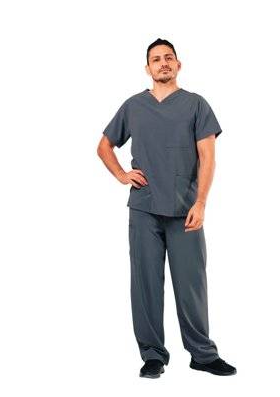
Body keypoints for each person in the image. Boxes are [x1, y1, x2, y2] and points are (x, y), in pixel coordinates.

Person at [97, 38, 236, 378]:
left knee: (191, 284)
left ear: (178, 64)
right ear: (148, 68)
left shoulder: (196, 105)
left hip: (185, 208)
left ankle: (202, 354)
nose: (163, 63)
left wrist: (201, 202)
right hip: (144, 207)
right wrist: (122, 175)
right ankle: (152, 356)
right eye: (156, 59)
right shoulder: (133, 106)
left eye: (168, 58)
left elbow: (208, 158)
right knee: (145, 283)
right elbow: (104, 146)